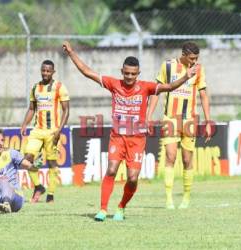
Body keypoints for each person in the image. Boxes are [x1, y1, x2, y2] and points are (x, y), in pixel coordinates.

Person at [62, 41, 198, 221]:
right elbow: (87, 72)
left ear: (138, 74)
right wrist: (71, 52)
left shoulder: (146, 87)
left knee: (132, 178)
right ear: (121, 71)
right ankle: (103, 209)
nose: (129, 77)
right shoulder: (113, 84)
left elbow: (168, 87)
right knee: (111, 170)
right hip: (117, 138)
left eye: (133, 74)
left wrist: (185, 77)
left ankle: (121, 207)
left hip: (137, 139)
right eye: (126, 73)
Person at [147, 41, 212, 209]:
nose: (194, 61)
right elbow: (156, 91)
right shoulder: (167, 66)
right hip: (170, 118)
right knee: (170, 156)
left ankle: (186, 197)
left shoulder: (199, 70)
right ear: (183, 54)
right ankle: (169, 199)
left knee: (187, 159)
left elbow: (203, 95)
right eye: (191, 58)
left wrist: (208, 121)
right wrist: (148, 116)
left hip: (189, 120)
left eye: (196, 58)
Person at [21, 60, 70, 203]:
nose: (45, 73)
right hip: (37, 130)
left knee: (51, 162)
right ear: (41, 70)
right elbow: (31, 109)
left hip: (52, 132)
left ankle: (51, 195)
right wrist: (24, 124)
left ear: (53, 72)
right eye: (43, 70)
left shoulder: (59, 87)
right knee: (27, 159)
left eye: (48, 71)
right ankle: (38, 186)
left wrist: (59, 130)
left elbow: (66, 110)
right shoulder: (35, 87)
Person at [0, 128, 41, 213]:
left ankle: (6, 204)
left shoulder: (11, 154)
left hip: (15, 197)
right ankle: (2, 207)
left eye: (2, 140)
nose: (0, 143)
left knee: (3, 179)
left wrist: (36, 165)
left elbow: (30, 166)